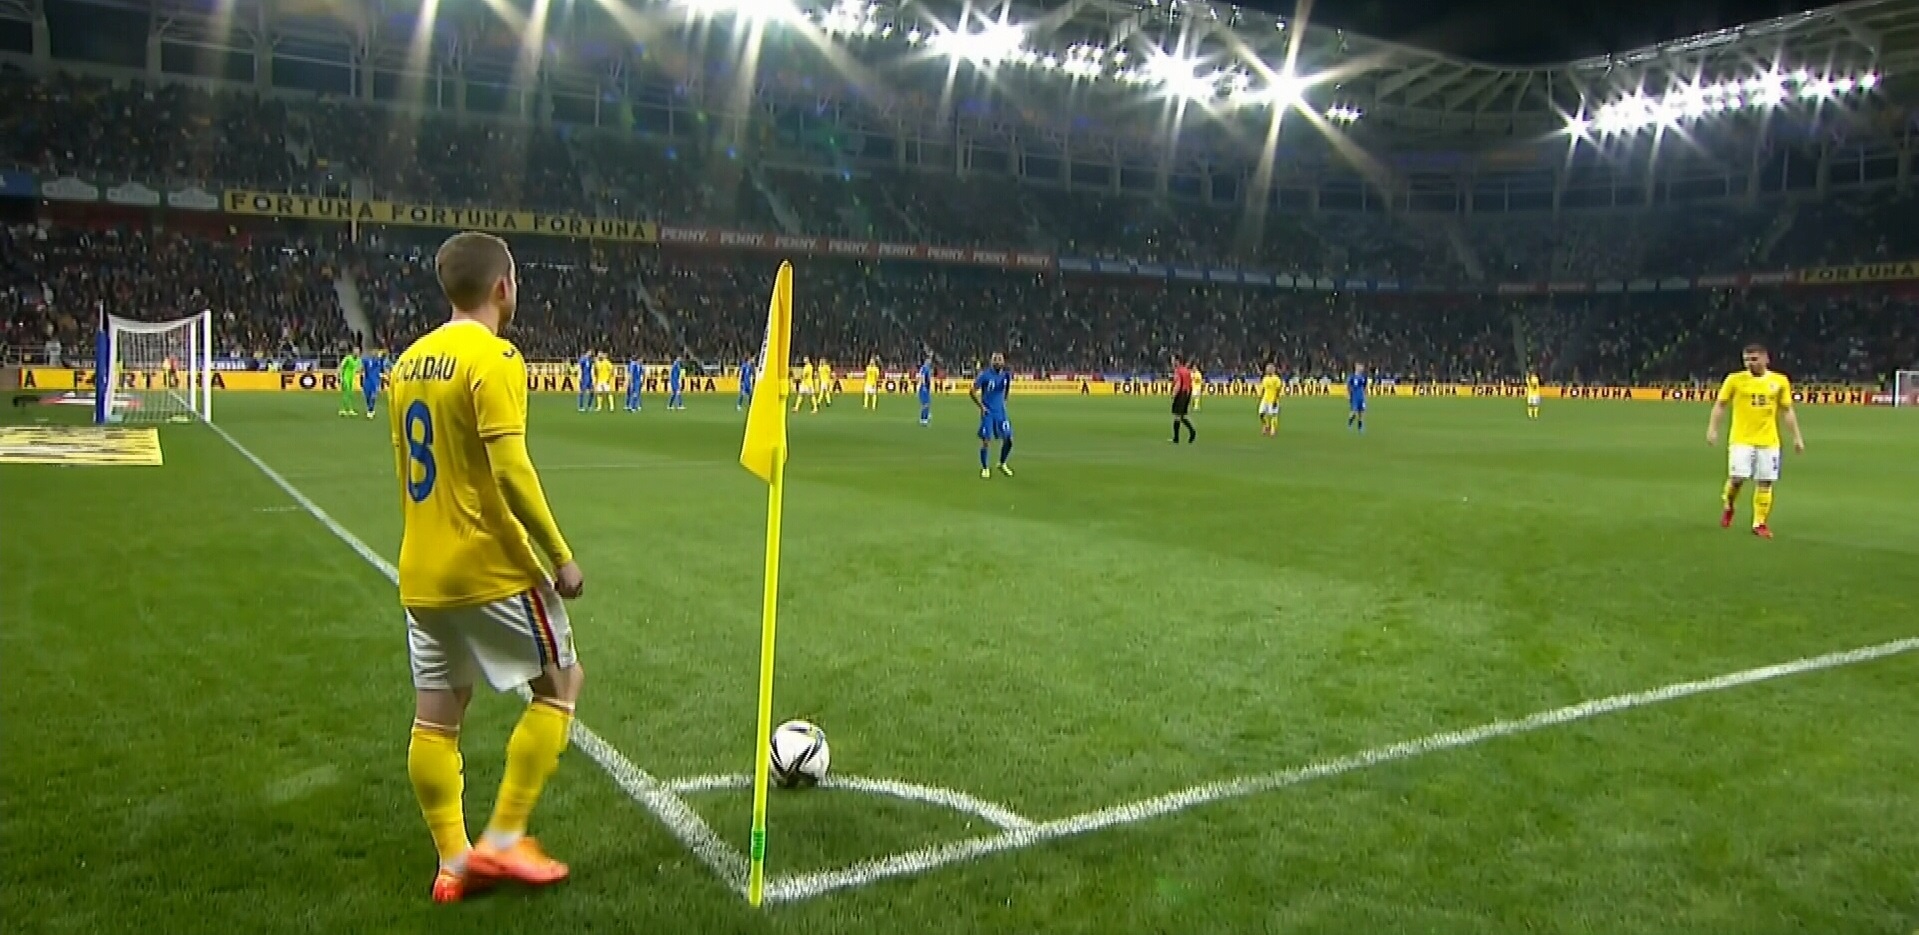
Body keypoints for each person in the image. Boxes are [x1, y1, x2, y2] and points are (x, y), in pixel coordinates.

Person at [387, 231, 585, 904]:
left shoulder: (407, 363)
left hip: (421, 568)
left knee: (437, 716)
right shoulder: (495, 356)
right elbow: (509, 468)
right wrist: (559, 554)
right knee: (560, 681)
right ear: (502, 286)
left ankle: (452, 860)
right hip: (487, 565)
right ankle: (503, 838)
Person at [1707, 343, 1805, 539]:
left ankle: (1759, 523)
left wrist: (1796, 437)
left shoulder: (1779, 381)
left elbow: (1787, 410)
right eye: (1746, 360)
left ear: (1765, 359)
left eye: (1754, 359)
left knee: (1765, 482)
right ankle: (1729, 504)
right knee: (1737, 479)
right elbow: (1720, 405)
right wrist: (1713, 429)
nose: (1750, 363)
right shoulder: (1735, 380)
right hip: (1741, 438)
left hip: (1769, 440)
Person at [970, 352, 1014, 478]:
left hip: (1000, 412)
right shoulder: (985, 375)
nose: (998, 362)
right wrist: (981, 407)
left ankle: (1002, 463)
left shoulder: (1006, 376)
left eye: (1000, 359)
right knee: (986, 441)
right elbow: (972, 391)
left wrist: (1004, 402)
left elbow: (1007, 389)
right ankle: (985, 468)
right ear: (991, 361)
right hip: (988, 412)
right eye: (996, 359)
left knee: (1009, 439)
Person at [1170, 357, 1197, 444]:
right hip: (1187, 393)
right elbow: (1190, 384)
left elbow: (1178, 383)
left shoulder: (1178, 371)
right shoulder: (1187, 370)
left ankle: (1176, 438)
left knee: (1177, 416)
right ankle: (1192, 431)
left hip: (1181, 394)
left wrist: (1174, 394)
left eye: (1173, 360)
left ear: (1177, 362)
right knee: (1182, 415)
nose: (1172, 362)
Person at [1258, 364, 1283, 437]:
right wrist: (1261, 396)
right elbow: (1263, 388)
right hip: (1265, 399)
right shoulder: (1265, 378)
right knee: (1261, 414)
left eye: (1269, 369)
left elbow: (1278, 390)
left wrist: (1275, 399)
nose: (1268, 370)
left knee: (1273, 415)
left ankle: (1273, 429)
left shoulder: (1276, 379)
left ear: (1273, 370)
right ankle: (1266, 425)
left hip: (1273, 400)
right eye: (1267, 369)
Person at [362, 349, 387, 419]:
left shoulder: (380, 361)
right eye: (374, 353)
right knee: (367, 395)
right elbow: (363, 367)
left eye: (376, 353)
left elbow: (382, 369)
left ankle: (371, 409)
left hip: (375, 380)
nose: (375, 354)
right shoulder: (367, 361)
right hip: (367, 380)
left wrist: (382, 375)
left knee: (373, 395)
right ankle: (369, 408)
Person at [338, 349, 361, 417]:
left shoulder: (358, 360)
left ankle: (349, 409)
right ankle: (343, 409)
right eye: (355, 352)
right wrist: (340, 376)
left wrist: (358, 370)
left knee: (351, 393)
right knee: (346, 392)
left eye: (358, 352)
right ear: (353, 352)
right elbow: (341, 366)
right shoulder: (348, 358)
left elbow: (359, 368)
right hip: (346, 377)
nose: (357, 353)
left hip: (352, 377)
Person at [1346, 363, 1368, 432]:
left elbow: (1365, 387)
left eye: (1362, 367)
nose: (1361, 368)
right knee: (1354, 411)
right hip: (1354, 396)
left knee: (1361, 412)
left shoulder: (1364, 377)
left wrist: (1365, 395)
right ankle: (1349, 424)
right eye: (1360, 367)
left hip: (1361, 396)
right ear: (1356, 367)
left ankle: (1360, 427)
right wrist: (1349, 394)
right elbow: (1348, 386)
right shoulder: (1352, 377)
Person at [917, 354, 934, 425]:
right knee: (925, 404)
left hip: (926, 388)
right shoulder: (925, 368)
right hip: (924, 388)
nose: (930, 361)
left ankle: (926, 415)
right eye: (929, 360)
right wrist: (923, 385)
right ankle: (923, 419)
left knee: (928, 403)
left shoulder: (927, 368)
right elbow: (922, 376)